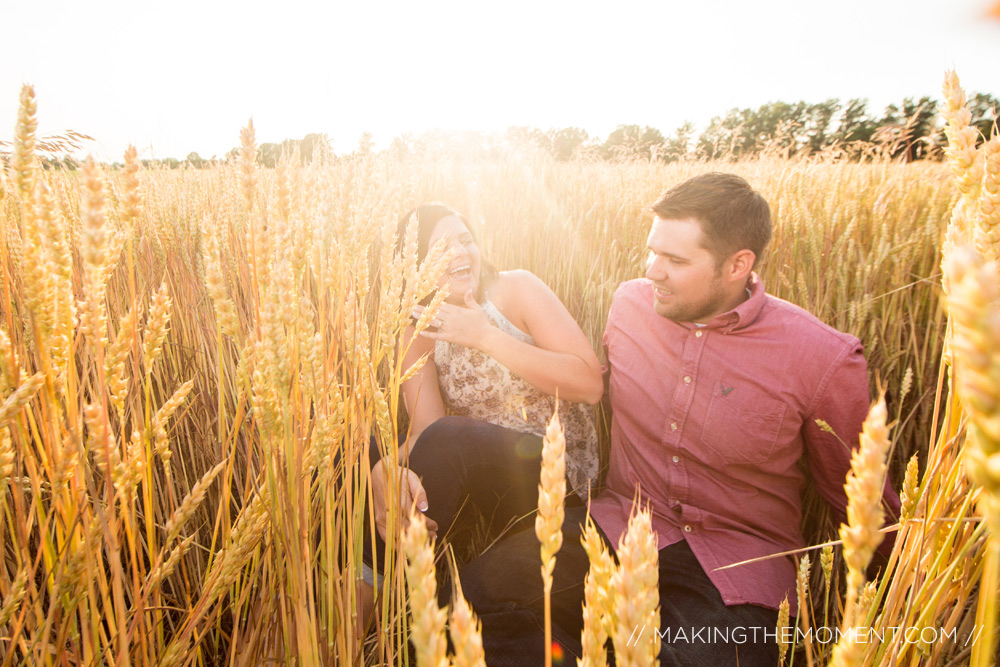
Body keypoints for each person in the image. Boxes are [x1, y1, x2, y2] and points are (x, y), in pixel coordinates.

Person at [458, 173, 901, 665]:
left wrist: (912, 595)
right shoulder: (629, 307)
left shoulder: (822, 358)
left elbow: (860, 499)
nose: (652, 271)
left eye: (675, 260)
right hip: (620, 526)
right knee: (472, 603)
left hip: (740, 569)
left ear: (738, 265)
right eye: (652, 252)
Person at [364, 202, 603, 585]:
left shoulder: (516, 288)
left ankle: (372, 589)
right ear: (416, 267)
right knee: (360, 452)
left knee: (451, 437)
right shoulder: (418, 326)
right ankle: (359, 581)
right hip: (486, 477)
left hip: (555, 472)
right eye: (441, 248)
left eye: (465, 240)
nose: (459, 252)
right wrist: (381, 467)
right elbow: (427, 426)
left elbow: (590, 384)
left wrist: (485, 336)